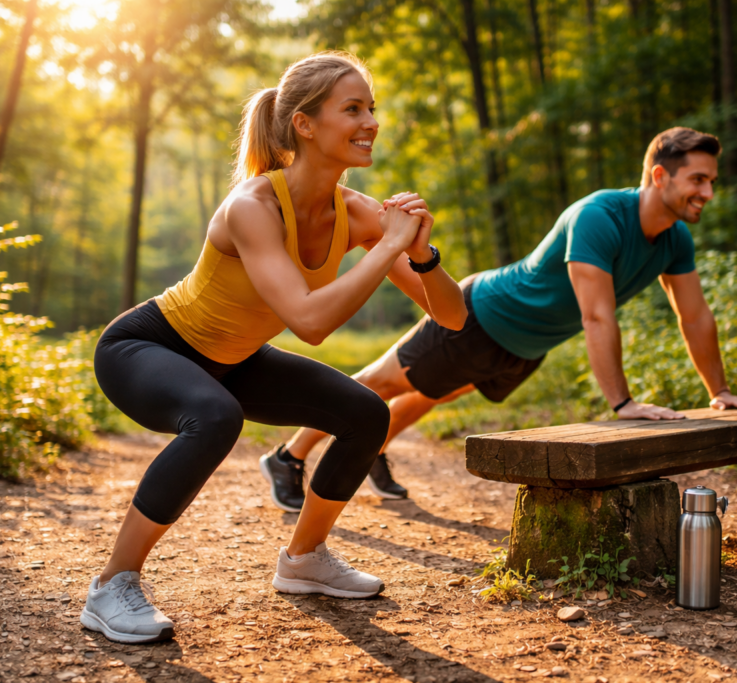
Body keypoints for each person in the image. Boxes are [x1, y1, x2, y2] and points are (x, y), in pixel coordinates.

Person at [79, 52, 467, 644]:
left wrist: (421, 255)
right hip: (148, 347)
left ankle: (305, 560)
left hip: (234, 360)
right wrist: (389, 247)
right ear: (304, 124)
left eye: (371, 108)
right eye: (352, 109)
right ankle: (112, 585)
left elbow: (452, 316)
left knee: (366, 413)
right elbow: (309, 322)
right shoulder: (252, 207)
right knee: (214, 417)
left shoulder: (359, 213)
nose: (370, 122)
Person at [262, 127, 737, 509]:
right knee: (382, 381)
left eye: (711, 181)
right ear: (660, 176)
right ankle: (288, 456)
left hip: (526, 347)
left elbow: (695, 317)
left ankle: (375, 446)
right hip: (481, 314)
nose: (707, 191)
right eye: (698, 179)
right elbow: (596, 316)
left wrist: (720, 391)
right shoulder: (600, 216)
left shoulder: (675, 239)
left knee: (433, 392)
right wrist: (623, 403)